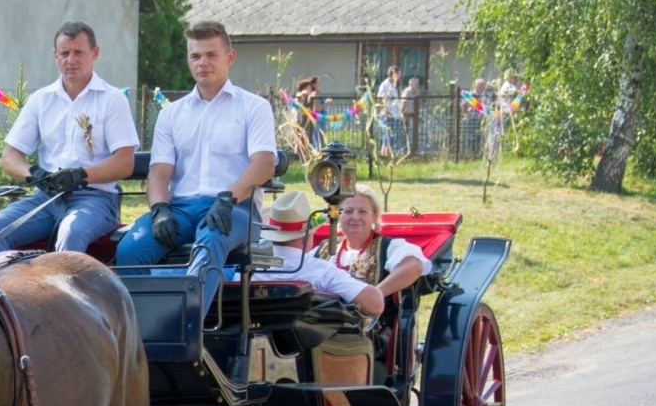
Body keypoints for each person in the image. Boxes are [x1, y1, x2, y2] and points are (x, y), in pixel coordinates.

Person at [114, 20, 276, 312]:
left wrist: (228, 198)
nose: (203, 63)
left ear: (229, 57)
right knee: (129, 250)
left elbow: (263, 164)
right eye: (195, 56)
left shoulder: (254, 107)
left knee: (210, 241)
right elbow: (159, 172)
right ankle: (141, 332)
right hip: (181, 209)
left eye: (211, 55)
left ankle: (185, 332)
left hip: (236, 208)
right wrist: (160, 209)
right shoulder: (172, 114)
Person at [0, 21, 138, 254]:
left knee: (70, 232)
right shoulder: (41, 100)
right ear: (55, 55)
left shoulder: (112, 100)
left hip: (95, 199)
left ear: (95, 53)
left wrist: (80, 175)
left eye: (78, 53)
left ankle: (63, 291)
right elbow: (9, 156)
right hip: (46, 198)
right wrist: (35, 175)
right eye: (64, 53)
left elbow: (125, 162)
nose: (71, 60)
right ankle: (1, 290)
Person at [253, 190, 384, 317]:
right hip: (305, 339)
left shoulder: (246, 269)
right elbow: (375, 304)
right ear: (307, 236)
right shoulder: (320, 271)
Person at [320, 183, 432, 299]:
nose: (355, 217)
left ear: (374, 216)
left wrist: (375, 295)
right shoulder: (325, 248)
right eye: (348, 211)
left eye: (362, 211)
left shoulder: (389, 247)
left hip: (373, 316)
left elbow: (415, 267)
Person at [376, 65, 404, 154]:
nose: (399, 76)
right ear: (393, 74)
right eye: (398, 74)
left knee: (390, 138)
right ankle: (384, 155)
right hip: (386, 115)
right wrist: (386, 111)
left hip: (395, 115)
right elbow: (380, 99)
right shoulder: (385, 85)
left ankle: (386, 155)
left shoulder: (396, 86)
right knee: (387, 137)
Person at [400, 75, 421, 154]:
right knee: (406, 131)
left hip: (414, 114)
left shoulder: (417, 91)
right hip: (407, 114)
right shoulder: (407, 92)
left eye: (417, 84)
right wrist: (402, 113)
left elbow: (418, 102)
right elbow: (403, 102)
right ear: (411, 84)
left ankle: (413, 148)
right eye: (416, 84)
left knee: (414, 131)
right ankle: (404, 148)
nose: (417, 85)